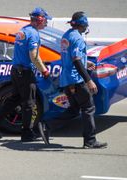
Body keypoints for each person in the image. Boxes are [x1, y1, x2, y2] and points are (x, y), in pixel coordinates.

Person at [59, 11, 107, 148]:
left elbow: (71, 58)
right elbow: (76, 60)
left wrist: (86, 63)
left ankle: (45, 125)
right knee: (88, 108)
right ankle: (90, 141)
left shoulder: (66, 35)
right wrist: (88, 80)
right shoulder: (78, 39)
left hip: (66, 79)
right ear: (83, 25)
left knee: (74, 109)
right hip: (77, 80)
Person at [11, 7, 51, 142]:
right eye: (45, 20)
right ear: (40, 20)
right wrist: (44, 70)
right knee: (29, 104)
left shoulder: (24, 30)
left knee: (16, 99)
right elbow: (34, 56)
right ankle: (26, 133)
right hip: (25, 72)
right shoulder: (33, 34)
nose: (46, 23)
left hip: (16, 70)